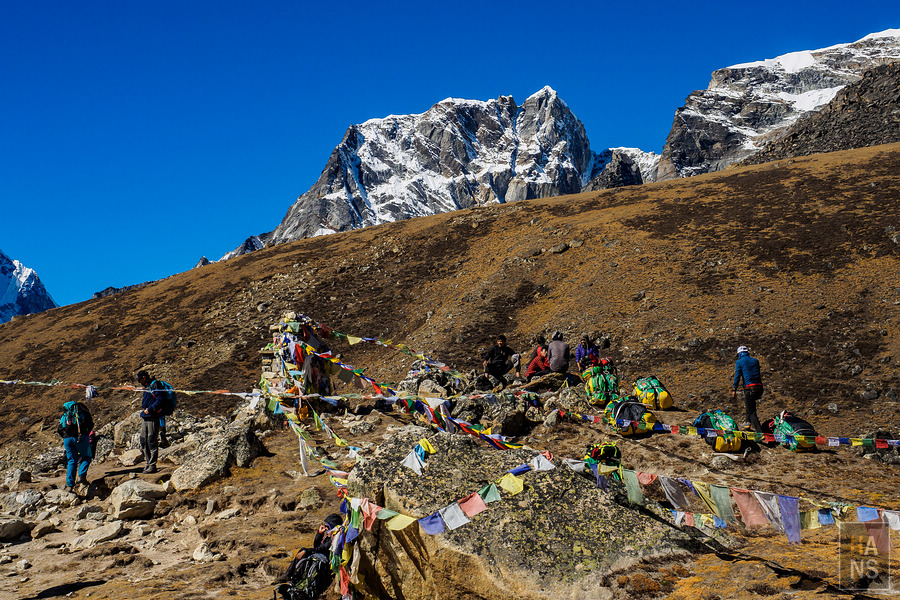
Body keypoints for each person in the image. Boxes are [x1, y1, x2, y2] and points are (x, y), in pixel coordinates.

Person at [57, 397, 94, 492]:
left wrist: (65, 436)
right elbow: (90, 424)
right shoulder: (82, 412)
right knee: (87, 456)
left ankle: (70, 485)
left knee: (71, 461)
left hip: (67, 439)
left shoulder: (65, 415)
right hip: (81, 437)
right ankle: (82, 476)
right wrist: (86, 434)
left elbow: (59, 429)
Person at [732, 345, 763, 432]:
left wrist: (734, 389)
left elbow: (737, 376)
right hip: (759, 388)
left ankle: (760, 433)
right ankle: (747, 422)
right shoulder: (755, 361)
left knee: (752, 412)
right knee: (749, 405)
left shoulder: (739, 362)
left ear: (739, 354)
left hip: (749, 388)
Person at [137, 370, 163, 473]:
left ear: (144, 378)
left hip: (153, 416)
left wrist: (151, 409)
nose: (140, 382)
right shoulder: (147, 387)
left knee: (151, 440)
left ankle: (152, 465)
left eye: (140, 380)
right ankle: (148, 463)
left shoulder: (155, 385)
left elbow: (160, 399)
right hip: (146, 416)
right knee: (143, 440)